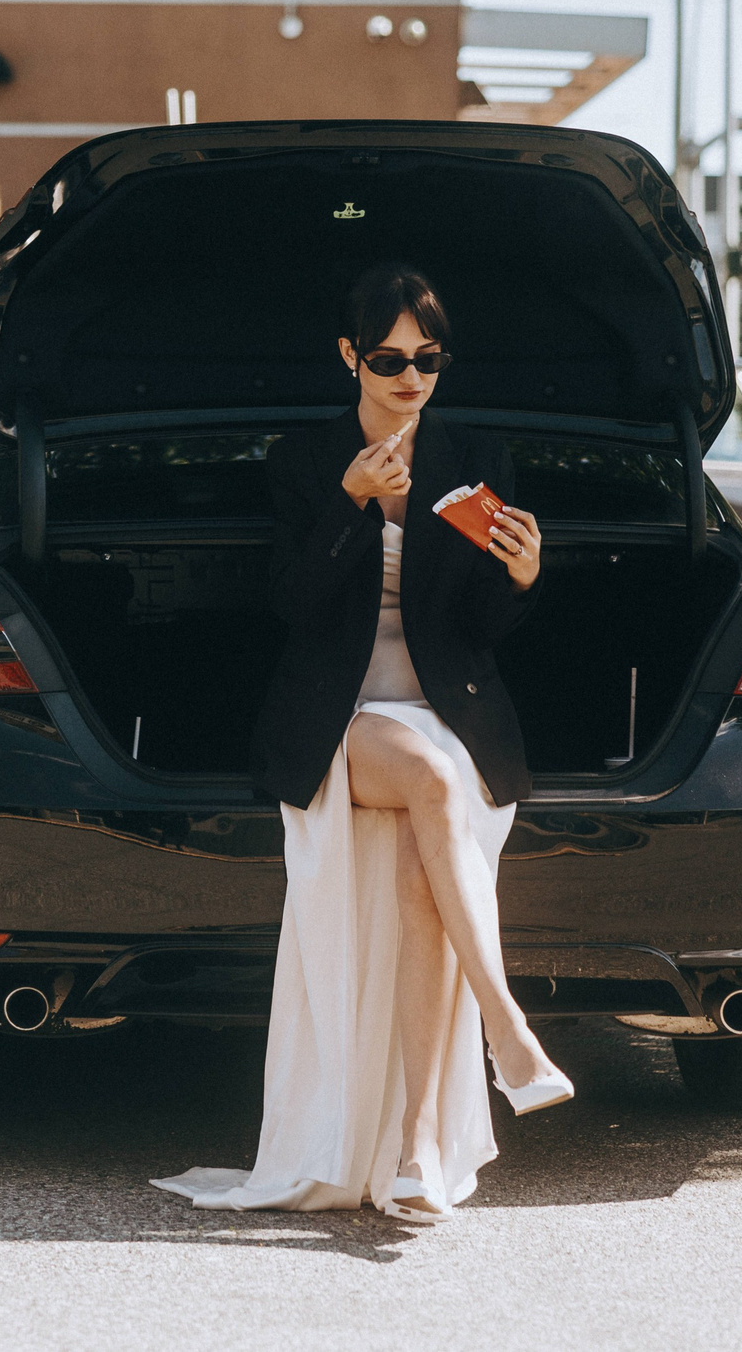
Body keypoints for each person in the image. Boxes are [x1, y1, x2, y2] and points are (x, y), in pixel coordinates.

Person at [156, 261, 570, 1226]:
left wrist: (521, 578)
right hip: (338, 718)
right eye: (388, 359)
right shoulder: (305, 459)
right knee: (431, 781)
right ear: (349, 356)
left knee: (429, 857)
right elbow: (291, 607)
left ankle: (419, 1150)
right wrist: (348, 504)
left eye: (429, 359)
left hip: (449, 712)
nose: (411, 377)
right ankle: (506, 1028)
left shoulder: (473, 455)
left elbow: (478, 629)